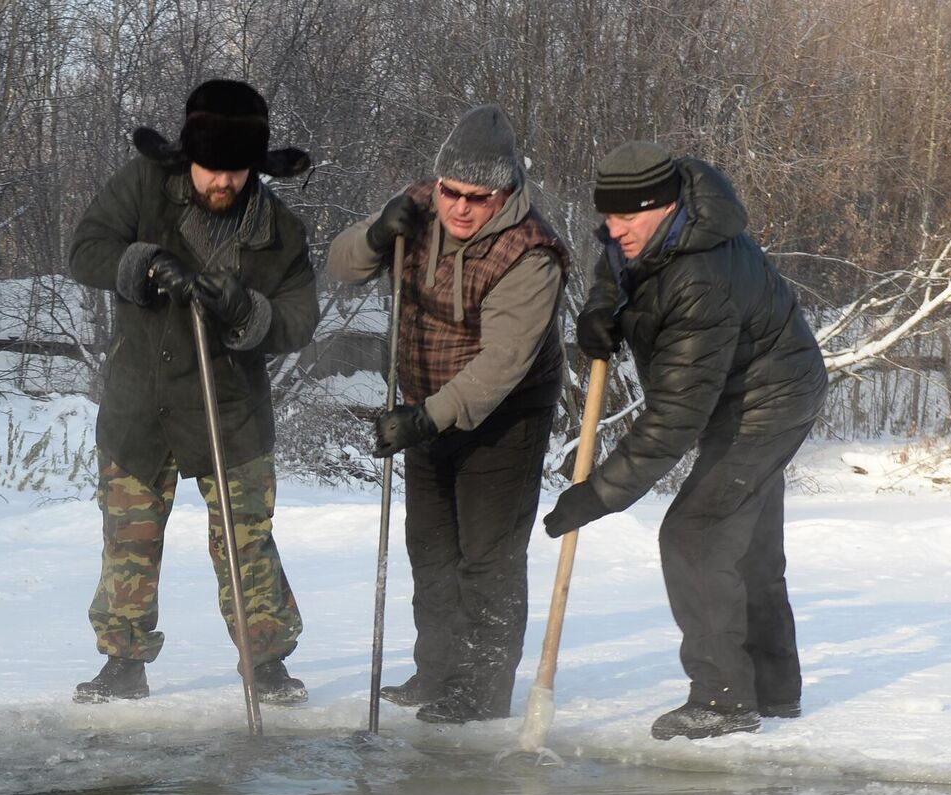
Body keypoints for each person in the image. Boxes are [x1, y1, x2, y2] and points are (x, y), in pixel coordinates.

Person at [543, 141, 828, 740]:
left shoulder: (700, 274)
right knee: (743, 544)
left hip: (766, 400)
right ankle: (773, 691)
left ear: (665, 204)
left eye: (626, 217)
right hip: (741, 392)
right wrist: (602, 310)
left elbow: (674, 419)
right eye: (609, 216)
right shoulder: (653, 234)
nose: (613, 229)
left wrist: (596, 496)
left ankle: (724, 700)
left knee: (696, 534)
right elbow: (613, 266)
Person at [65, 79, 318, 705]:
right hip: (138, 403)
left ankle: (267, 661)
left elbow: (298, 319)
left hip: (231, 412)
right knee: (129, 538)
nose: (222, 183)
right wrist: (144, 265)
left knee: (244, 539)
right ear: (189, 158)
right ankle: (122, 661)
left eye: (236, 171)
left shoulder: (279, 230)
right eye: (211, 169)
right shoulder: (145, 187)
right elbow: (86, 248)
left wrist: (245, 309)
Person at [326, 105, 570, 724]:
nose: (459, 208)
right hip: (427, 404)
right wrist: (378, 235)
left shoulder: (531, 252)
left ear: (506, 192)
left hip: (505, 414)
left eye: (477, 197)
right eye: (450, 192)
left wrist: (423, 419)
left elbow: (501, 363)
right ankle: (437, 671)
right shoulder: (416, 210)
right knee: (430, 547)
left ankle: (483, 689)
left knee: (485, 555)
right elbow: (342, 265)